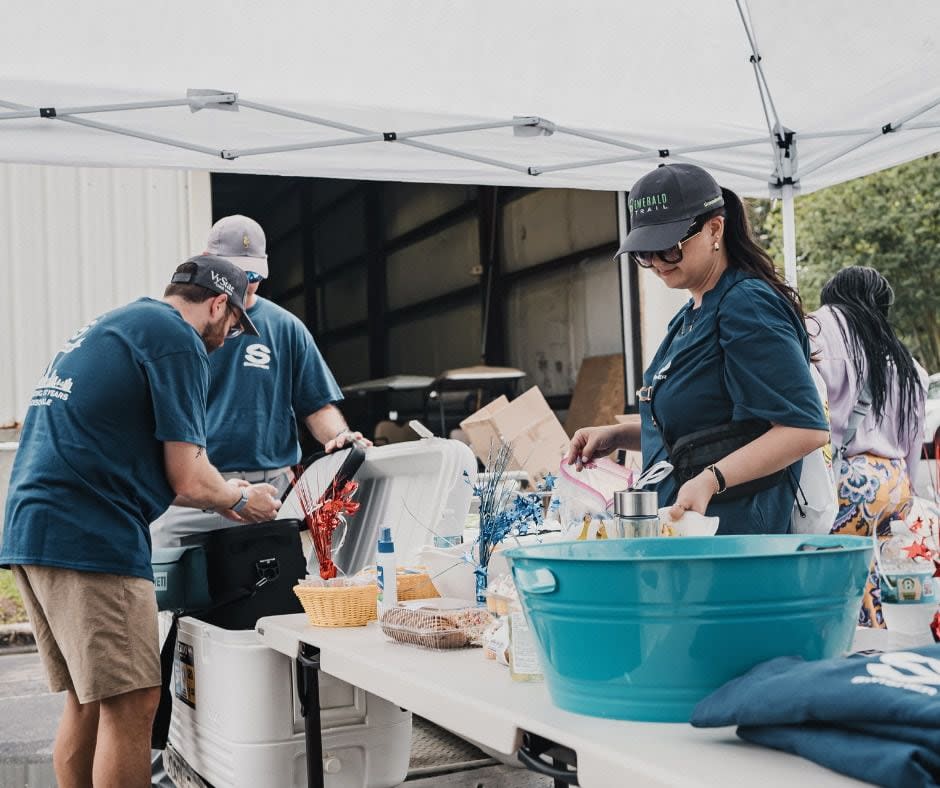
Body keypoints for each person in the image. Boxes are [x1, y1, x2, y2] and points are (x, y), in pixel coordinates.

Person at [0, 255, 282, 788]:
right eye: (234, 324)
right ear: (219, 303)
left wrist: (230, 491)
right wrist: (243, 502)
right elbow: (190, 480)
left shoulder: (125, 323)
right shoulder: (177, 340)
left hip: (34, 528)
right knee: (133, 703)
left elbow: (177, 468)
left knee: (88, 702)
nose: (229, 338)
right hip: (90, 534)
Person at [566, 163, 829, 532]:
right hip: (689, 533)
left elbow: (804, 428)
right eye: (644, 253)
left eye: (668, 249)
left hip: (734, 536)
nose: (656, 263)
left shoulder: (745, 304)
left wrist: (711, 480)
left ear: (715, 229)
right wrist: (619, 435)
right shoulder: (692, 313)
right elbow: (707, 428)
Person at [151, 214, 369, 548]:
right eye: (236, 274)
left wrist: (340, 437)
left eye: (253, 275)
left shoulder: (285, 327)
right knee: (176, 591)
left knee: (271, 592)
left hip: (269, 492)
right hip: (195, 487)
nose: (245, 284)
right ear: (209, 262)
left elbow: (315, 404)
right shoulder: (185, 327)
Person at [809, 266, 928, 627]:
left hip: (850, 480)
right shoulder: (908, 364)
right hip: (895, 483)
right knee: (869, 571)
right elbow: (912, 440)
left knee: (834, 578)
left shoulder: (819, 333)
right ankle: (875, 636)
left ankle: (848, 646)